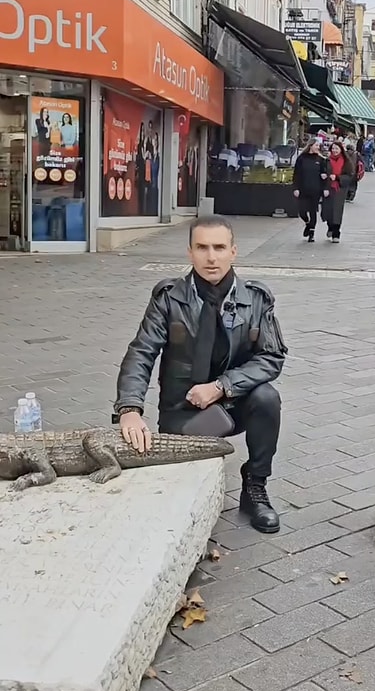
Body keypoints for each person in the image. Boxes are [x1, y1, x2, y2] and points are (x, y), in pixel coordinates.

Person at [115, 215, 286, 533]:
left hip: (235, 404)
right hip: (183, 409)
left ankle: (255, 488)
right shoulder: (169, 298)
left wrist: (222, 386)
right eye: (202, 247)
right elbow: (141, 353)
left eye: (219, 247)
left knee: (267, 398)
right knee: (176, 505)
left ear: (233, 251)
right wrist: (129, 410)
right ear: (189, 252)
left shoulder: (256, 300)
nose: (211, 257)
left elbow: (272, 357)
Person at [292, 139, 330, 242]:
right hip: (303, 188)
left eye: (319, 146)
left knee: (313, 210)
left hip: (316, 189)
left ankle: (312, 233)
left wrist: (324, 182)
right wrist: (296, 188)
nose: (318, 147)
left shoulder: (321, 160)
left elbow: (325, 173)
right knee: (302, 211)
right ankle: (308, 223)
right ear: (310, 146)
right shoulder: (302, 158)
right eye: (316, 145)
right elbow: (296, 174)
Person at [321, 139, 353, 241]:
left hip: (340, 189)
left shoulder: (346, 161)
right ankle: (330, 226)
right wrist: (323, 176)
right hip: (328, 188)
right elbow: (322, 172)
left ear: (341, 150)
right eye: (333, 148)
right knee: (327, 210)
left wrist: (338, 177)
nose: (334, 150)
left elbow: (350, 176)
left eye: (336, 148)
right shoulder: (326, 160)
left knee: (337, 211)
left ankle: (336, 233)